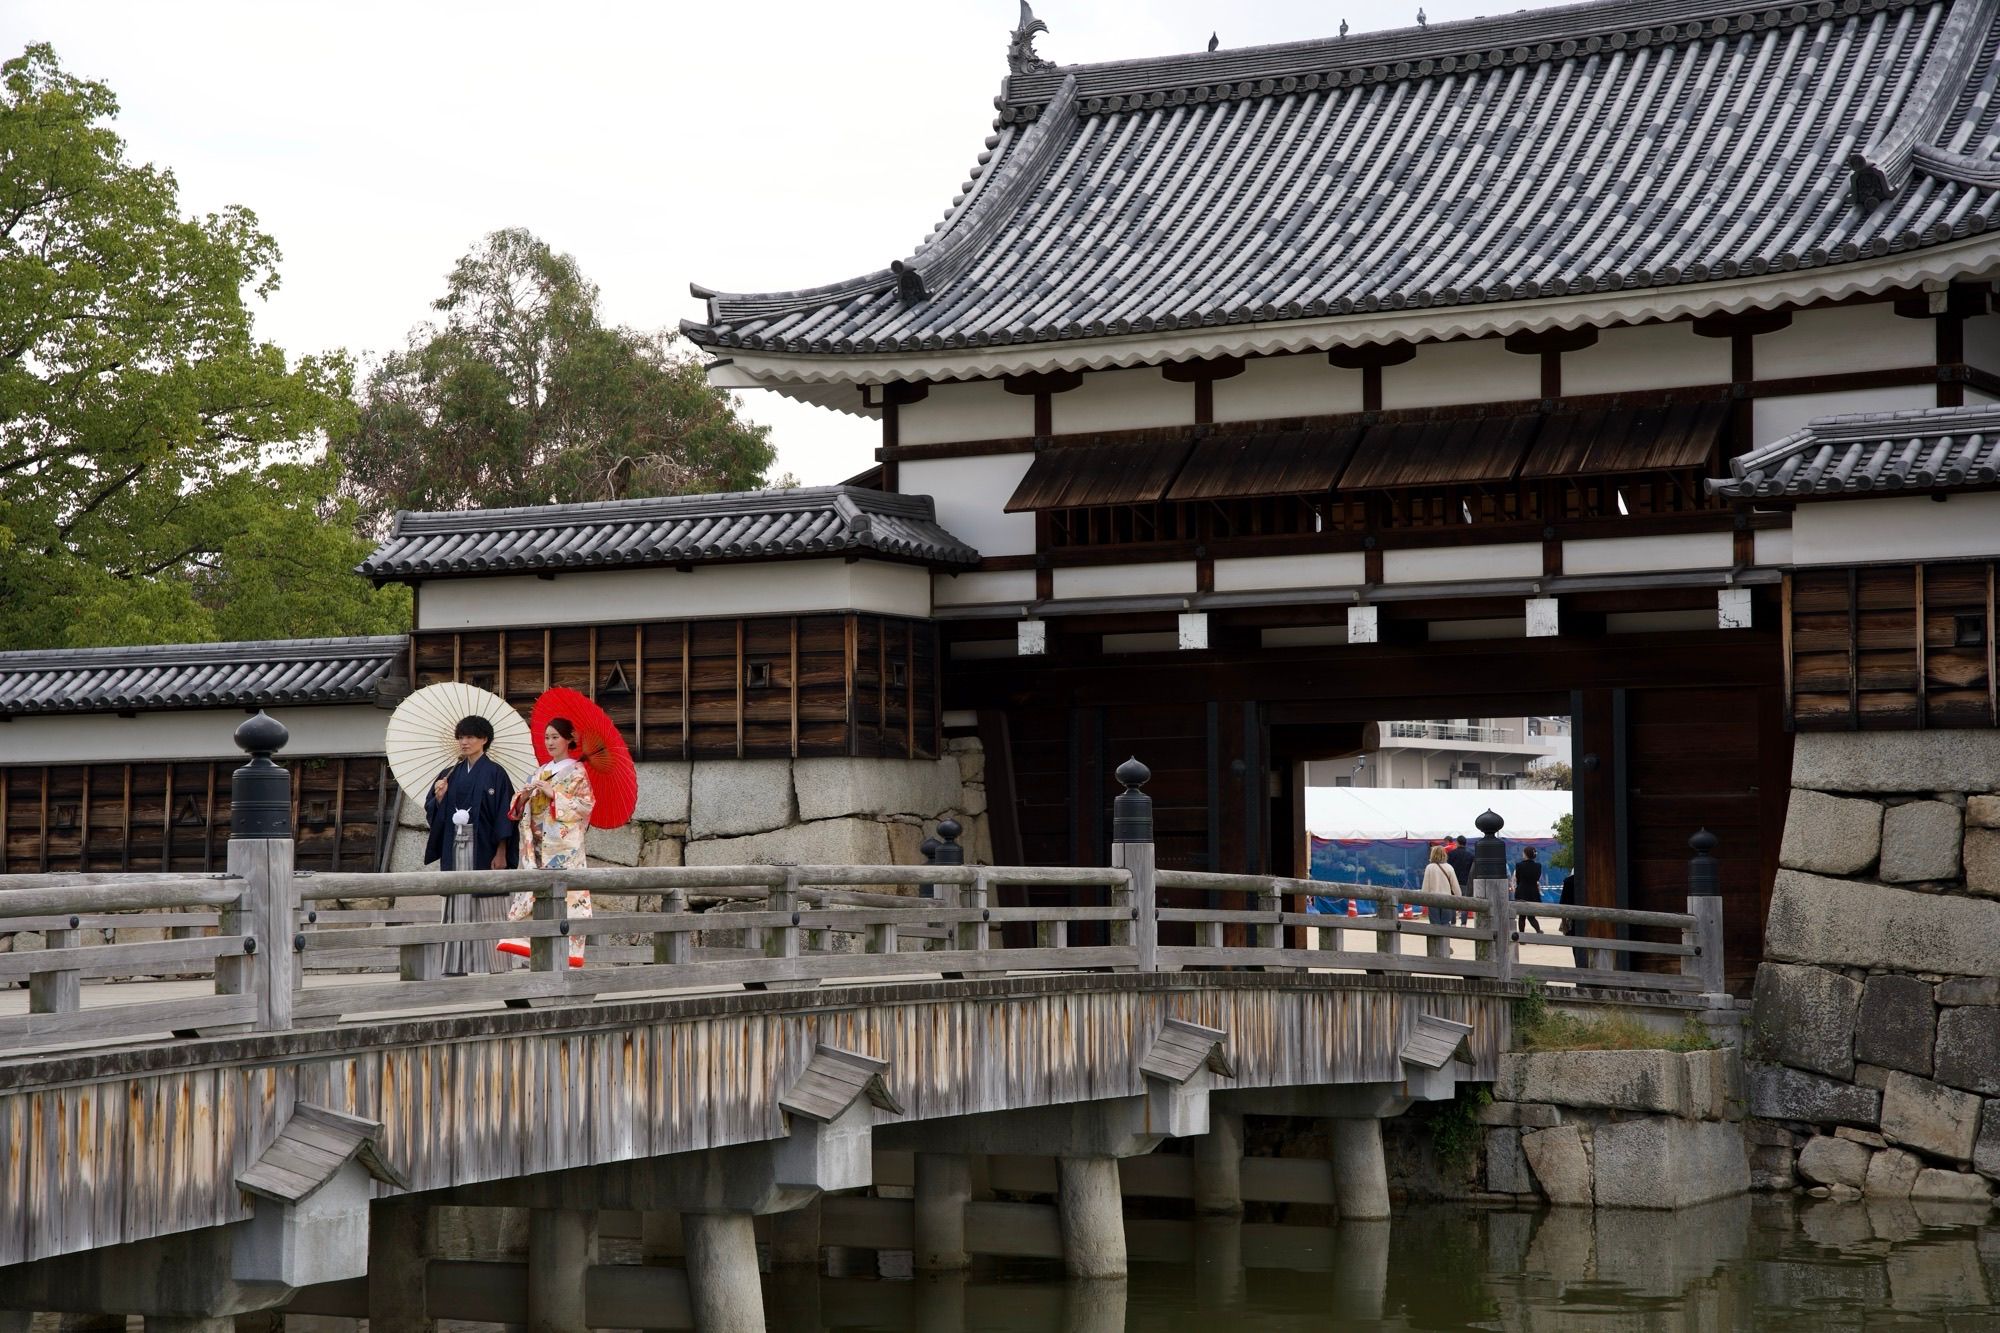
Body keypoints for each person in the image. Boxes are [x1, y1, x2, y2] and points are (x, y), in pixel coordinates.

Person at [422, 715, 518, 976]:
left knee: (489, 903)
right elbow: (433, 813)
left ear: (484, 740)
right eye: (461, 737)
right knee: (457, 903)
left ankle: (497, 965)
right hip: (454, 845)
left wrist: (501, 853)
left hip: (485, 847)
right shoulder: (448, 774)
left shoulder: (496, 773)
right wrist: (439, 799)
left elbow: (505, 815)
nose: (464, 742)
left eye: (471, 737)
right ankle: (455, 964)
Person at [507, 717, 596, 966]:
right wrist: (524, 797)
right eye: (547, 737)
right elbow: (517, 810)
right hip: (535, 845)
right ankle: (530, 947)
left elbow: (585, 807)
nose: (550, 742)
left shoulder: (578, 772)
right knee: (533, 891)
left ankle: (566, 951)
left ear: (569, 739)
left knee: (567, 896)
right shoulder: (540, 770)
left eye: (555, 737)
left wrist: (553, 794)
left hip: (562, 847)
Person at [1420, 844, 1459, 933]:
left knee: (1434, 925)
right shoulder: (1449, 867)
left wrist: (1422, 899)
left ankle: (1436, 945)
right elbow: (1455, 886)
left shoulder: (1429, 867)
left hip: (1433, 900)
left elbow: (1426, 885)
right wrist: (1458, 897)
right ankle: (1445, 945)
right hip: (1447, 900)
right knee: (1445, 924)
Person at [1514, 845, 1545, 931]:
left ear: (1526, 854)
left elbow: (1518, 878)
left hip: (1522, 891)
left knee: (1522, 916)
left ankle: (1522, 936)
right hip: (1533, 892)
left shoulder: (1519, 865)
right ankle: (1538, 931)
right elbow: (1537, 878)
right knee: (1531, 916)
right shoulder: (1538, 866)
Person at [1446, 835, 1474, 926]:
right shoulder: (1470, 855)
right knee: (1464, 902)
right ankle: (1463, 923)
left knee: (1452, 902)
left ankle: (1453, 922)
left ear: (1457, 843)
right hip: (1465, 881)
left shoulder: (1451, 854)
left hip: (1453, 880)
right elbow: (1471, 870)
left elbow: (1448, 868)